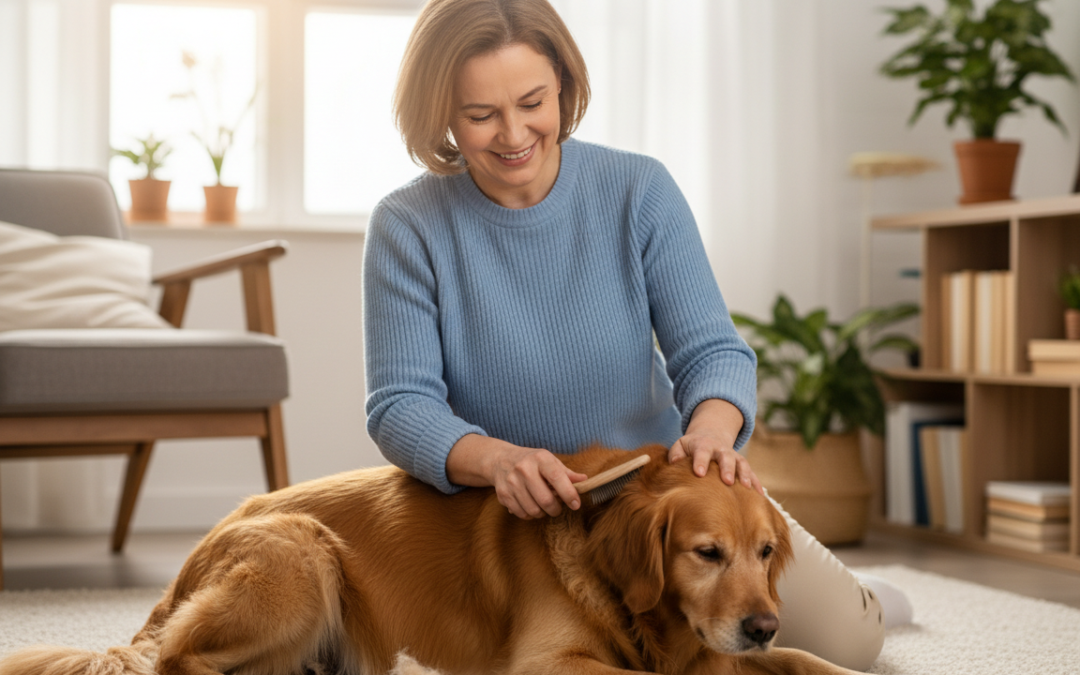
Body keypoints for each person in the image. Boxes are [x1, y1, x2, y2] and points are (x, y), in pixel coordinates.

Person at [363, 0, 898, 670]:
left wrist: (709, 431)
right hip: (510, 520)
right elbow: (400, 405)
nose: (513, 133)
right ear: (440, 110)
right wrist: (499, 460)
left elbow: (713, 352)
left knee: (853, 639)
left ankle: (862, 592)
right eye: (480, 115)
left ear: (561, 80)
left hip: (654, 500)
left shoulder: (637, 190)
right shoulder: (406, 225)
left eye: (532, 101)